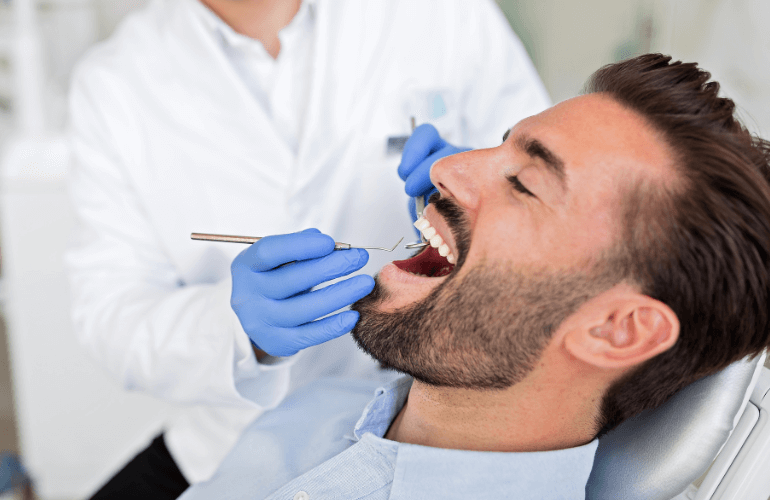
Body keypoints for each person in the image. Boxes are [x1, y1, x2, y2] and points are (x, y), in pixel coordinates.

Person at [178, 53, 770, 499]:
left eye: (524, 183)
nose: (443, 167)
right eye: (497, 145)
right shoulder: (326, 406)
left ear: (617, 328)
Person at [65, 0, 549, 497]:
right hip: (229, 444)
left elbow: (555, 200)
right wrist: (237, 332)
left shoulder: (443, 14)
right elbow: (111, 313)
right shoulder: (116, 81)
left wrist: (482, 184)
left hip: (430, 427)